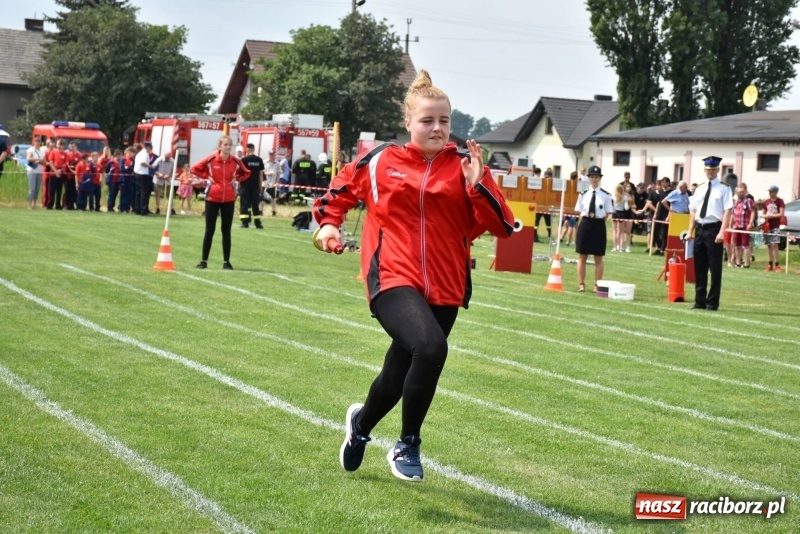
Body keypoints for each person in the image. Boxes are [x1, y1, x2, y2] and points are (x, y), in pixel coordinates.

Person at [313, 69, 513, 482]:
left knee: (397, 372)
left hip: (446, 283)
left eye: (444, 121)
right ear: (408, 123)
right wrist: (329, 223)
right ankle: (408, 442)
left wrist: (478, 187)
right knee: (430, 347)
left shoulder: (466, 166)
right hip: (391, 276)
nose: (437, 128)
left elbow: (502, 225)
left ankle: (360, 427)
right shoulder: (382, 160)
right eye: (427, 121)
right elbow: (341, 190)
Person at [191, 135, 251, 270]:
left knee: (226, 230)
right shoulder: (211, 158)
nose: (228, 147)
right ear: (220, 146)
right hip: (212, 198)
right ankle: (203, 261)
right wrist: (207, 176)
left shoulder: (235, 160)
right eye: (226, 145)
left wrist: (236, 178)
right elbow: (194, 169)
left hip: (229, 199)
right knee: (209, 230)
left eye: (230, 145)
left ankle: (226, 262)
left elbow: (247, 173)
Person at [687, 156, 733, 311]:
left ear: (718, 170)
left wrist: (722, 232)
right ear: (704, 170)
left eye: (713, 169)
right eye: (708, 169)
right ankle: (699, 301)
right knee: (699, 267)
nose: (710, 172)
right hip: (700, 229)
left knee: (714, 268)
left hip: (714, 229)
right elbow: (694, 211)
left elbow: (727, 212)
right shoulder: (699, 188)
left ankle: (712, 302)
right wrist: (690, 231)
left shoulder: (724, 188)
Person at [574, 165, 613, 292]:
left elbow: (607, 212)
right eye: (592, 177)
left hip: (598, 225)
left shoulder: (606, 195)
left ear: (599, 178)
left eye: (596, 177)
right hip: (585, 223)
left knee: (598, 257)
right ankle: (581, 283)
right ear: (588, 178)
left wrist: (599, 220)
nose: (594, 179)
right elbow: (579, 210)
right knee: (582, 255)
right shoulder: (583, 194)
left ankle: (597, 284)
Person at [238, 143, 264, 228]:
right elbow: (261, 174)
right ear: (254, 149)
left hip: (245, 185)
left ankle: (245, 222)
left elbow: (240, 173)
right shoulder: (259, 160)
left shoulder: (244, 160)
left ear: (247, 149)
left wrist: (239, 184)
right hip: (255, 186)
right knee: (255, 204)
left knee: (245, 204)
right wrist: (260, 185)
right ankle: (257, 222)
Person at [730, 183, 755, 268]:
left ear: (745, 192)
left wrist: (750, 223)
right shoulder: (735, 202)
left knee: (746, 246)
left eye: (742, 192)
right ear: (736, 192)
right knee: (737, 246)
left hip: (745, 226)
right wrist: (730, 225)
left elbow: (752, 212)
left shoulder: (748, 201)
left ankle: (747, 263)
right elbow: (732, 214)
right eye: (739, 192)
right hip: (736, 226)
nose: (740, 193)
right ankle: (738, 262)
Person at [762, 184, 785, 272]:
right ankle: (769, 264)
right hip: (767, 226)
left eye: (771, 192)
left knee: (775, 244)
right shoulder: (766, 202)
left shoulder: (780, 201)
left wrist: (772, 216)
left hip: (775, 225)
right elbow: (763, 213)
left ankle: (777, 264)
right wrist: (765, 216)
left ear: (775, 192)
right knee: (769, 245)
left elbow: (781, 213)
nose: (770, 193)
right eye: (769, 192)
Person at [133, 142, 155, 215]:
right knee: (144, 193)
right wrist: (150, 166)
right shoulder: (144, 153)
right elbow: (142, 163)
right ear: (148, 147)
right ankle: (143, 210)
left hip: (137, 173)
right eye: (150, 148)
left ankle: (137, 209)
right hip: (142, 174)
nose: (150, 150)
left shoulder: (140, 153)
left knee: (138, 192)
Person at [26, 136, 46, 210]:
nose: (38, 142)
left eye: (39, 141)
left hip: (39, 171)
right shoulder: (30, 150)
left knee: (37, 189)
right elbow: (28, 158)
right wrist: (37, 159)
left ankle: (34, 204)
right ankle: (29, 204)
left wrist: (40, 161)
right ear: (34, 142)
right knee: (32, 188)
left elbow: (44, 162)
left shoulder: (42, 151)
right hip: (31, 171)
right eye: (36, 141)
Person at [262, 151, 280, 217]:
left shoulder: (277, 163)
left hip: (272, 183)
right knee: (262, 198)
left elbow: (278, 173)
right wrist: (267, 173)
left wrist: (277, 182)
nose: (271, 156)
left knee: (273, 198)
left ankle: (273, 211)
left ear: (274, 155)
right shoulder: (264, 162)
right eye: (270, 155)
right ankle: (261, 211)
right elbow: (262, 172)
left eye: (272, 155)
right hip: (265, 183)